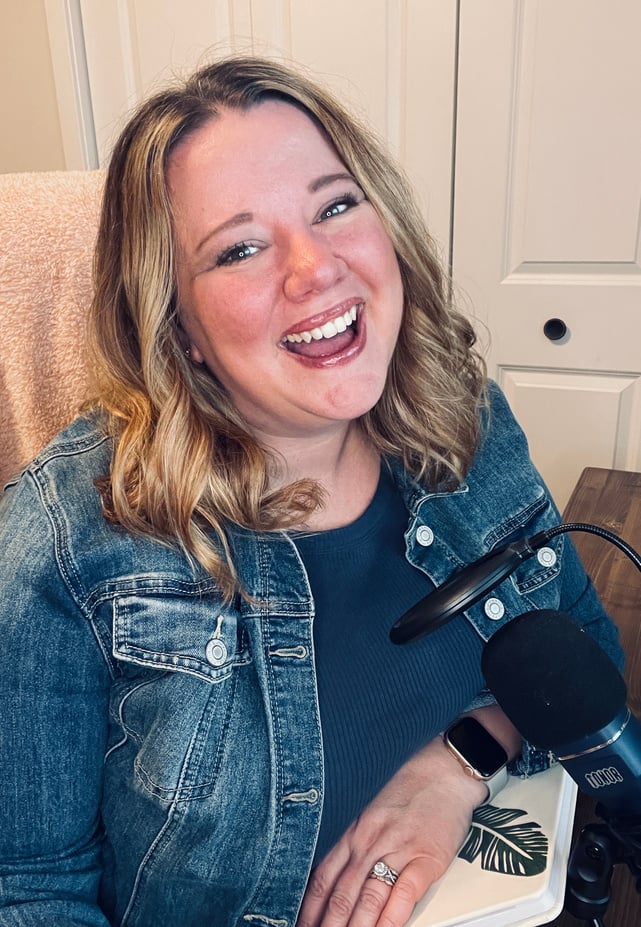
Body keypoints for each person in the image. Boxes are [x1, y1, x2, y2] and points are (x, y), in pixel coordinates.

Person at [0, 55, 622, 927]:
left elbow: (585, 650)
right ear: (178, 326)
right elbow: (26, 890)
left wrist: (459, 761)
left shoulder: (464, 422)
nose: (315, 268)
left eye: (334, 206)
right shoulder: (65, 538)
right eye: (239, 249)